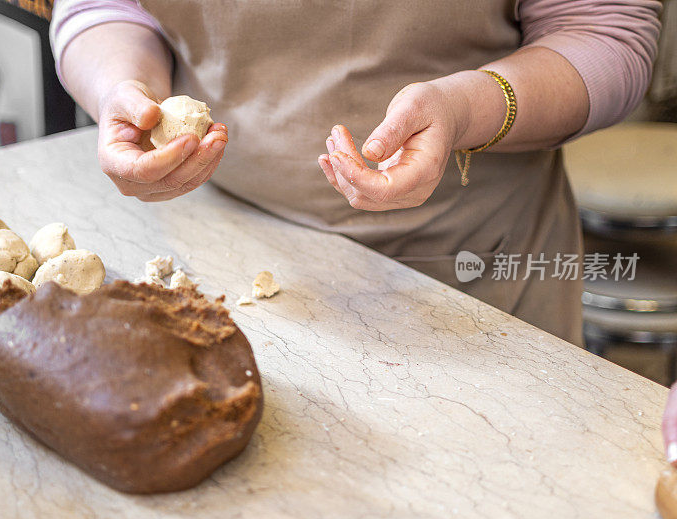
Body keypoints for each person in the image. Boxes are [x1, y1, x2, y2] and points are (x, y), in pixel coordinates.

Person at [50, 0, 660, 348]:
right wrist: (121, 91)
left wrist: (465, 108)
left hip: (463, 272)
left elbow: (603, 31)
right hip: (216, 247)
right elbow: (103, 6)